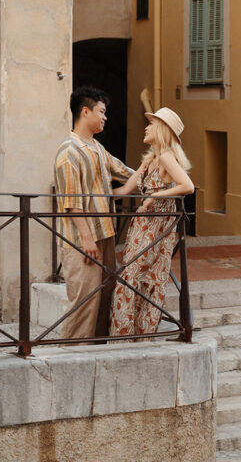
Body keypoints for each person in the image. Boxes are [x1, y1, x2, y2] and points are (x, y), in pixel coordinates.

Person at [53, 86, 135, 342]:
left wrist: (158, 170)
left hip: (105, 233)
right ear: (85, 112)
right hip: (82, 240)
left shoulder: (97, 147)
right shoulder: (69, 152)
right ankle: (69, 354)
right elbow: (72, 202)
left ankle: (97, 349)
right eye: (101, 111)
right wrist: (87, 239)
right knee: (84, 301)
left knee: (105, 295)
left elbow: (123, 171)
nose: (105, 117)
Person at [109, 107, 194, 339]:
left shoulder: (166, 157)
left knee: (137, 277)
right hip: (142, 227)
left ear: (162, 130)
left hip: (157, 228)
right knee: (133, 276)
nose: (146, 128)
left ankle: (134, 337)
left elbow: (187, 186)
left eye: (151, 124)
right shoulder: (149, 160)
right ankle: (128, 337)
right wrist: (94, 197)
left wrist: (155, 196)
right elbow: (125, 190)